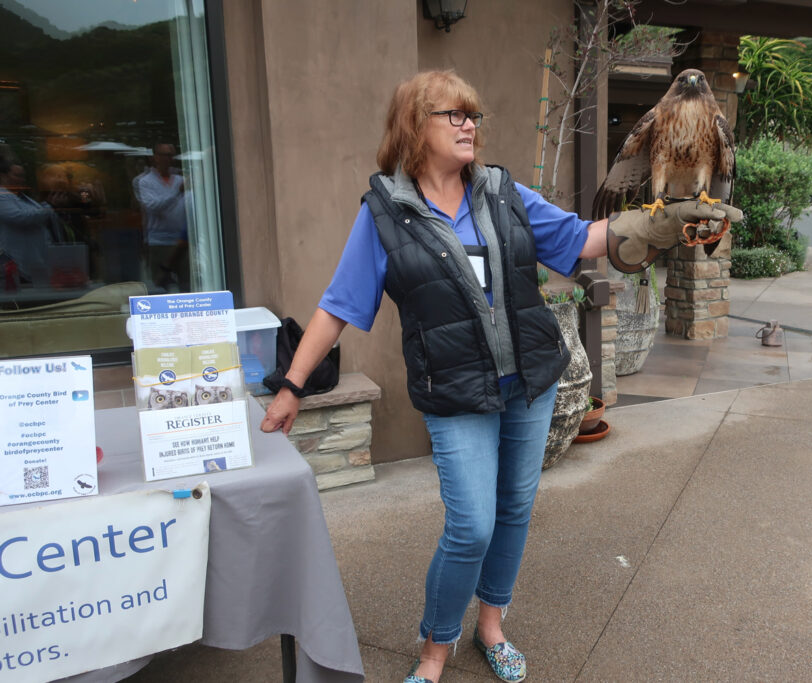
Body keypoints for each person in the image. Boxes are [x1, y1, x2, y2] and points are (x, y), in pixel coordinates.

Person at [259, 70, 740, 683]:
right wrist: (293, 387)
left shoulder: (502, 192)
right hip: (457, 394)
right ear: (414, 127)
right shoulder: (386, 213)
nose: (468, 125)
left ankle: (491, 624)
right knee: (470, 526)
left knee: (514, 510)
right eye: (453, 115)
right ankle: (435, 648)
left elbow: (581, 237)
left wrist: (655, 224)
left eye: (473, 116)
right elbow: (339, 306)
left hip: (529, 382)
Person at [133, 142, 190, 291]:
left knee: (187, 283)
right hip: (159, 241)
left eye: (171, 155)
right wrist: (177, 192)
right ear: (155, 158)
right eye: (165, 155)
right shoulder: (145, 182)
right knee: (160, 286)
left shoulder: (179, 180)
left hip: (182, 241)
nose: (168, 159)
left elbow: (190, 207)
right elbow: (153, 207)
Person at [0, 158, 57, 287]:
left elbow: (40, 213)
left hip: (34, 261)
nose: (21, 180)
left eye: (23, 176)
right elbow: (21, 217)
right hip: (14, 263)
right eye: (17, 176)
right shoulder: (1, 196)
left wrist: (49, 207)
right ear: (3, 176)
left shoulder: (22, 198)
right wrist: (49, 207)